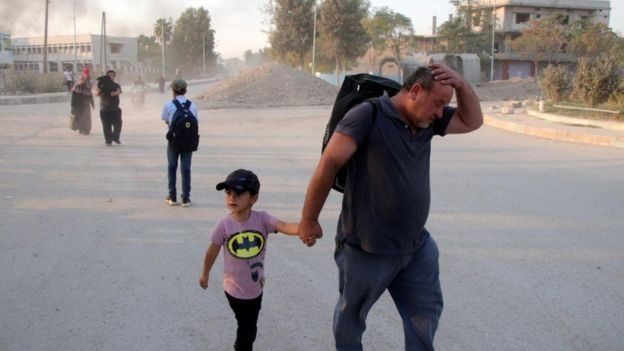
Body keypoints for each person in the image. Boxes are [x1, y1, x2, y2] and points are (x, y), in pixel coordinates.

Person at [298, 63, 483, 351]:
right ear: (416, 91)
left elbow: (472, 122)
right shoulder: (366, 115)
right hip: (366, 248)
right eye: (438, 103)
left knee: (424, 315)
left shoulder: (428, 121)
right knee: (351, 319)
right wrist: (308, 219)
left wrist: (461, 85)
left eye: (444, 106)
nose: (440, 112)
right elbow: (328, 166)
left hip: (415, 246)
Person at [199, 169, 299, 351]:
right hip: (233, 289)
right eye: (228, 193)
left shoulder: (262, 219)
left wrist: (304, 229)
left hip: (256, 287)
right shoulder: (224, 225)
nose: (232, 198)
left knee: (250, 320)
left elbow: (284, 226)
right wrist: (205, 273)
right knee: (247, 328)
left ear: (253, 198)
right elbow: (212, 251)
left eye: (238, 194)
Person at [161, 79, 198, 207]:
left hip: (174, 141)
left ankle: (172, 197)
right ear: (186, 90)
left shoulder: (169, 104)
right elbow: (196, 122)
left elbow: (166, 120)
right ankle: (186, 198)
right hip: (188, 141)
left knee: (172, 167)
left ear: (173, 91)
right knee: (186, 168)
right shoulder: (192, 105)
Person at [95, 70, 123, 146]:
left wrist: (115, 92)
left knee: (118, 125)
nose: (111, 76)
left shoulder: (116, 85)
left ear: (114, 76)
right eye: (109, 75)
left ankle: (115, 138)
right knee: (106, 126)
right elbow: (96, 93)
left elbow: (119, 91)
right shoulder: (101, 85)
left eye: (112, 75)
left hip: (115, 109)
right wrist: (99, 87)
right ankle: (108, 140)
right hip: (104, 109)